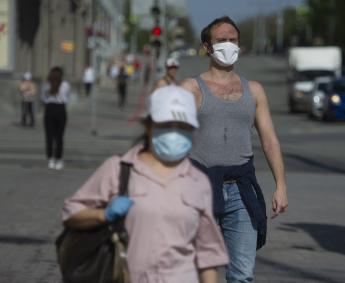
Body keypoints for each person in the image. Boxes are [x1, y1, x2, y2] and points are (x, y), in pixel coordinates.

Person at [61, 85, 229, 283]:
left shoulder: (198, 182)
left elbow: (207, 256)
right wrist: (103, 214)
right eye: (167, 124)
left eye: (183, 126)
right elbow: (71, 214)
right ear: (149, 126)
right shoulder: (119, 169)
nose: (175, 132)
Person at [181, 16, 289, 282]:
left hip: (242, 190)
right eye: (221, 41)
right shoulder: (191, 89)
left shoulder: (254, 90)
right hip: (201, 189)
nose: (228, 46)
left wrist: (281, 185)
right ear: (207, 47)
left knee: (242, 274)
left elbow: (269, 140)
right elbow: (172, 141)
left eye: (233, 40)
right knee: (201, 273)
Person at [41, 66, 70, 170]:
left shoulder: (46, 84)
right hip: (60, 110)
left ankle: (50, 159)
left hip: (49, 109)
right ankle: (59, 159)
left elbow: (43, 99)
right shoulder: (65, 84)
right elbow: (66, 98)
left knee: (49, 136)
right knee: (59, 137)